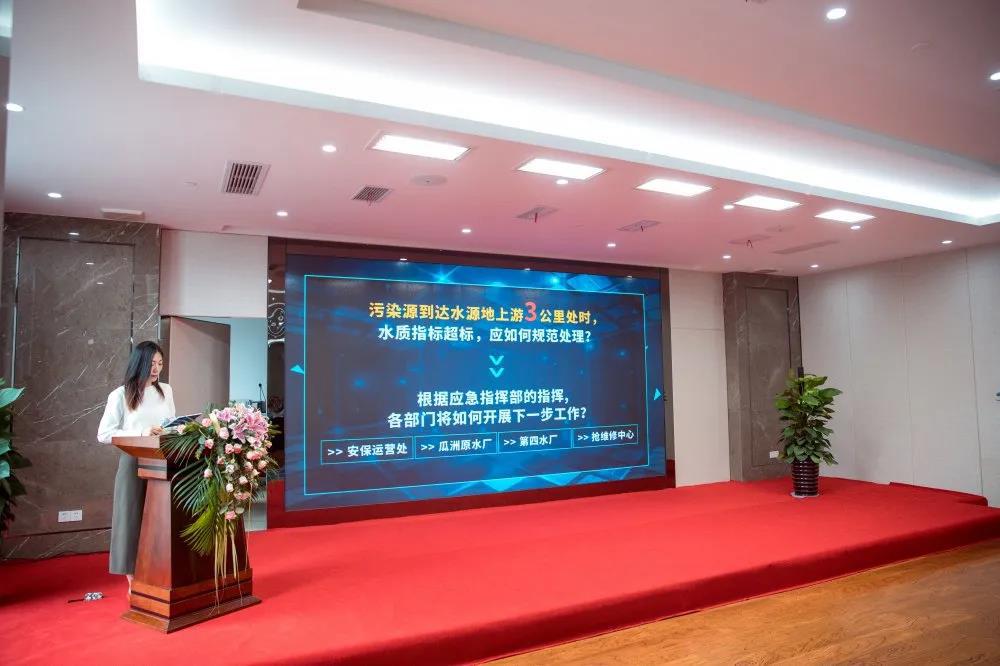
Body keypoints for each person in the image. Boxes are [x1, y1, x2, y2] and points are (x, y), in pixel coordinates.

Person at [97, 341, 175, 593]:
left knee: (161, 519)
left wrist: (175, 429)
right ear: (139, 363)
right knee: (130, 519)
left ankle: (159, 573)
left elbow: (171, 423)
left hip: (163, 460)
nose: (156, 369)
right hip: (133, 461)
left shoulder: (166, 390)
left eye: (160, 363)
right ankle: (133, 580)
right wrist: (142, 432)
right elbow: (104, 434)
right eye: (152, 363)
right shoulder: (120, 395)